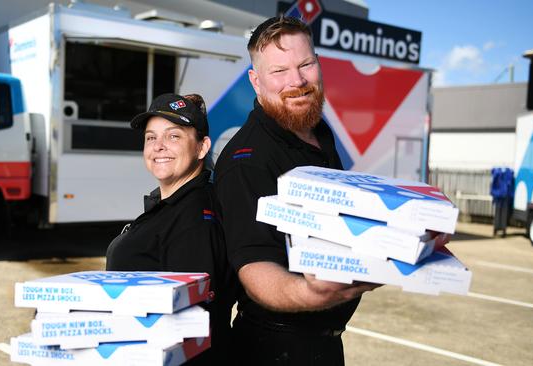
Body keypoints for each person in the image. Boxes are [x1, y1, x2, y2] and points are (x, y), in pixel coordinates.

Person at [213, 16, 381, 365]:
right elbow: (255, 267)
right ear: (256, 82)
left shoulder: (315, 129)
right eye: (279, 71)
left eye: (306, 64)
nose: (298, 81)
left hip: (323, 346)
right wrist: (314, 293)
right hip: (271, 349)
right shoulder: (248, 159)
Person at [106, 93, 235, 365]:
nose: (159, 146)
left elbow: (191, 324)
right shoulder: (172, 205)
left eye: (173, 136)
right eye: (151, 137)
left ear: (202, 148)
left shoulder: (195, 218)